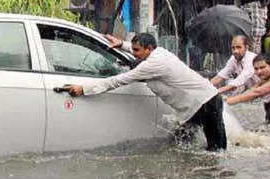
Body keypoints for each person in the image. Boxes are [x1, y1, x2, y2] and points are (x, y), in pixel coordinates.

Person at [65, 33, 227, 151]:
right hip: (196, 107)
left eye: (136, 50)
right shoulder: (160, 52)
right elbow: (136, 49)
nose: (134, 54)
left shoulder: (150, 66)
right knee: (181, 145)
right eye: (133, 49)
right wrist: (121, 44)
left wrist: (84, 89)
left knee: (217, 152)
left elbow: (118, 81)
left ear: (149, 49)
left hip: (207, 103)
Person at [211, 35, 270, 124]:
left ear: (246, 47)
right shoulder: (233, 59)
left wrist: (215, 92)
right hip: (266, 93)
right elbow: (221, 76)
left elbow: (238, 82)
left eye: (239, 47)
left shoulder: (251, 59)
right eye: (233, 48)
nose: (235, 51)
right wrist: (205, 86)